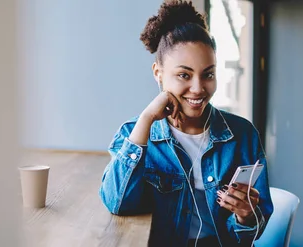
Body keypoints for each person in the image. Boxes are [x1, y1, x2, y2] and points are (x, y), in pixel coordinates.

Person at [98, 1, 274, 246]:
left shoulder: (242, 134)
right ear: (158, 73)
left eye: (208, 74)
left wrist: (246, 216)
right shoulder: (134, 134)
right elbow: (118, 203)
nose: (198, 88)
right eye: (184, 75)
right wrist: (147, 118)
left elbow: (251, 232)